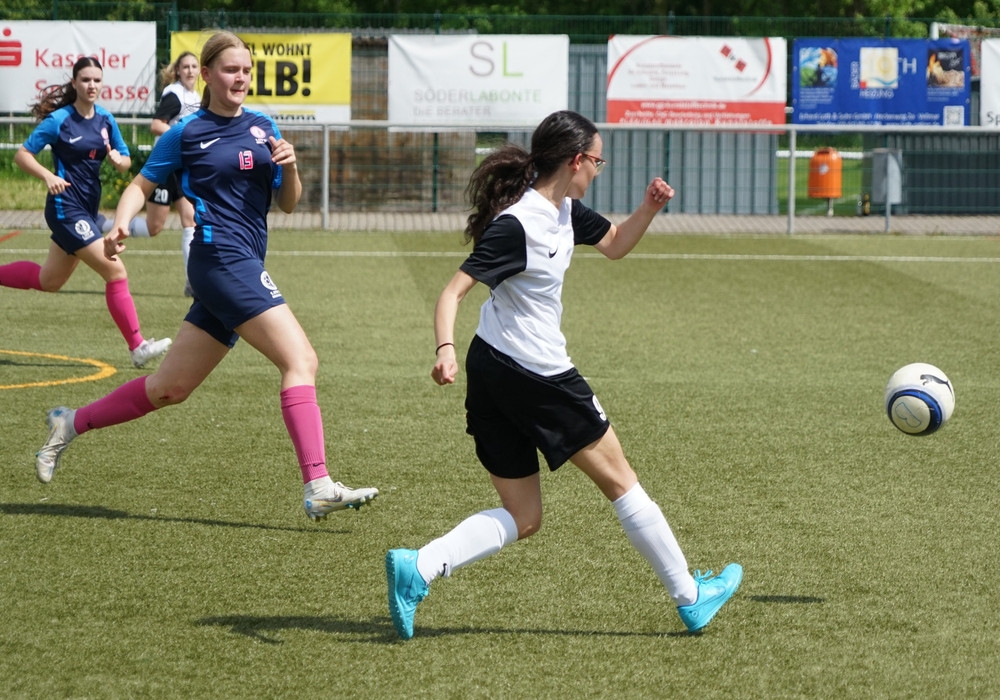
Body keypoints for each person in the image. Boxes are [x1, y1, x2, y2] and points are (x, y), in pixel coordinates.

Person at [385, 110, 741, 640]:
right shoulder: (520, 224)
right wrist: (444, 350)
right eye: (597, 160)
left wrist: (649, 208)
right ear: (576, 160)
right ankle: (690, 597)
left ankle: (421, 566)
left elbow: (615, 244)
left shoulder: (566, 211)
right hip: (538, 374)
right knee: (621, 482)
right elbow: (452, 292)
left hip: (493, 369)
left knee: (523, 515)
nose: (598, 169)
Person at [33, 31, 378, 520]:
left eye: (247, 71)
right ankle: (318, 483)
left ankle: (69, 423)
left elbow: (288, 203)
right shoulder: (187, 132)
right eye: (232, 69)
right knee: (301, 360)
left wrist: (292, 169)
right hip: (220, 260)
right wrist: (119, 224)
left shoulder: (263, 126)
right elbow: (141, 184)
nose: (241, 78)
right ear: (209, 74)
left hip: (243, 261)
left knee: (169, 388)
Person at [0, 56, 171, 369]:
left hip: (87, 212)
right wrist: (47, 176)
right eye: (86, 80)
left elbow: (124, 160)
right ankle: (138, 346)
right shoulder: (60, 120)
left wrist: (120, 161)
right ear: (75, 83)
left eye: (97, 80)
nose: (92, 85)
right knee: (115, 271)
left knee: (49, 280)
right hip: (65, 209)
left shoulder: (105, 119)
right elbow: (23, 155)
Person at [146, 51, 201, 296]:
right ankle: (104, 224)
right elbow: (157, 125)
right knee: (154, 227)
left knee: (189, 219)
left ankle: (193, 283)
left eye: (193, 66)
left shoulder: (195, 97)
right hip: (165, 162)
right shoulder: (175, 94)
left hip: (180, 164)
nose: (190, 71)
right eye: (185, 66)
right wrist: (182, 136)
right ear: (178, 71)